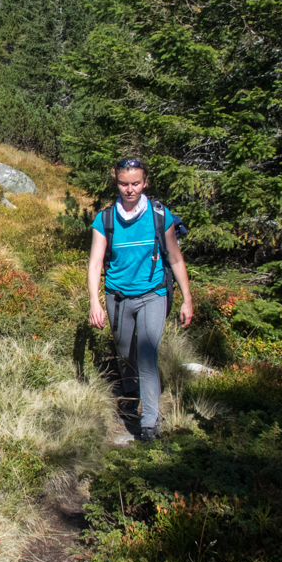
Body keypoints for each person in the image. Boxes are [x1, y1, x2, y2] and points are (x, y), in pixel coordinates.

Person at [87, 158, 193, 441]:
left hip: (153, 294)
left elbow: (175, 257)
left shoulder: (160, 215)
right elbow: (96, 263)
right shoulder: (105, 219)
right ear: (116, 183)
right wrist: (95, 302)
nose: (130, 189)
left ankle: (149, 423)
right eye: (124, 183)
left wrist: (187, 299)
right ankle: (130, 389)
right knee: (125, 351)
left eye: (136, 183)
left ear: (145, 183)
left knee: (147, 354)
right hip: (118, 297)